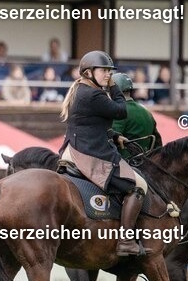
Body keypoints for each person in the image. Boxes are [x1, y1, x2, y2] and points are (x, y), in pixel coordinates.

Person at [59, 51, 149, 256]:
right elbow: (120, 110)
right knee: (138, 186)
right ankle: (126, 241)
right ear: (89, 72)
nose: (108, 75)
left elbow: (88, 123)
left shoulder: (80, 90)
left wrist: (114, 135)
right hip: (91, 153)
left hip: (75, 148)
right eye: (105, 71)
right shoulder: (94, 94)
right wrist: (115, 87)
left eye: (110, 72)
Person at [109, 72, 162, 161]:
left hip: (124, 166)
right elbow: (158, 144)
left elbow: (109, 141)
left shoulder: (119, 112)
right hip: (146, 165)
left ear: (114, 91)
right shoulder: (147, 113)